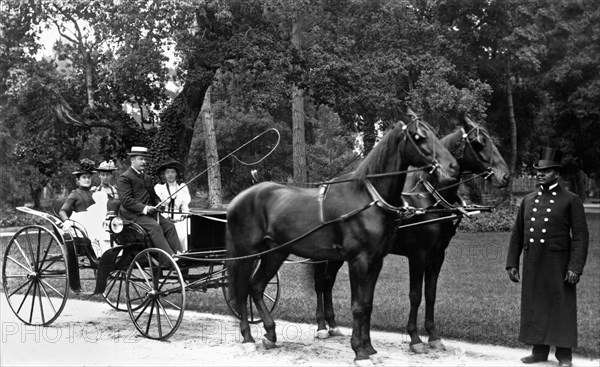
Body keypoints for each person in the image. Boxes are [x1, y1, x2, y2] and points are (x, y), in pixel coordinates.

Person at [506, 147, 589, 367]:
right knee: (536, 304)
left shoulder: (570, 200)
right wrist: (512, 262)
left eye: (547, 170)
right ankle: (539, 352)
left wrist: (575, 267)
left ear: (557, 173)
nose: (540, 174)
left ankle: (564, 356)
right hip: (533, 261)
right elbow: (517, 233)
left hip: (559, 264)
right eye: (538, 170)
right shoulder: (529, 200)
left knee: (560, 306)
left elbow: (580, 236)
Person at [116, 146, 183, 258]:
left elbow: (153, 197)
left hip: (148, 214)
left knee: (170, 226)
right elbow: (126, 200)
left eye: (145, 159)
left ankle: (179, 255)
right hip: (132, 215)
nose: (144, 162)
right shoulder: (125, 177)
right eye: (141, 159)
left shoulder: (146, 177)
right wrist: (145, 208)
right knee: (155, 227)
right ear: (132, 160)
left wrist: (159, 203)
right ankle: (169, 258)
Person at [59, 158, 108, 256]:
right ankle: (100, 254)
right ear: (78, 180)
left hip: (94, 221)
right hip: (82, 224)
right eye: (84, 177)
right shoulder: (75, 194)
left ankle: (107, 254)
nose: (87, 180)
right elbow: (62, 211)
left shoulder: (93, 193)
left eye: (89, 177)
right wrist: (67, 221)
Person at [154, 158, 191, 252]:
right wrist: (166, 217)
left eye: (173, 172)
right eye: (167, 172)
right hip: (164, 218)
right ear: (164, 175)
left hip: (179, 218)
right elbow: (158, 206)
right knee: (171, 229)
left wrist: (184, 216)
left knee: (187, 229)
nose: (170, 174)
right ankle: (174, 253)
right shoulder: (159, 188)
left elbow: (184, 206)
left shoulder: (182, 187)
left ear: (176, 174)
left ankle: (186, 253)